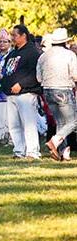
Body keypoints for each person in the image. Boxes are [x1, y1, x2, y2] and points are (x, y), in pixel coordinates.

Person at [0, 24, 42, 160]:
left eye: (14, 35)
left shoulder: (32, 52)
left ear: (24, 36)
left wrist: (21, 84)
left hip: (26, 93)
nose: (12, 38)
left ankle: (32, 151)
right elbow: (8, 71)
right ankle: (19, 150)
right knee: (14, 125)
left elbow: (36, 73)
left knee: (28, 123)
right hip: (11, 94)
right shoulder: (12, 53)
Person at [37, 28, 77, 161]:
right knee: (73, 121)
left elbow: (38, 77)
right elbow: (75, 75)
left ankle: (63, 152)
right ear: (65, 41)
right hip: (64, 89)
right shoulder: (69, 55)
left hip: (47, 90)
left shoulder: (44, 56)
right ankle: (54, 141)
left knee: (61, 122)